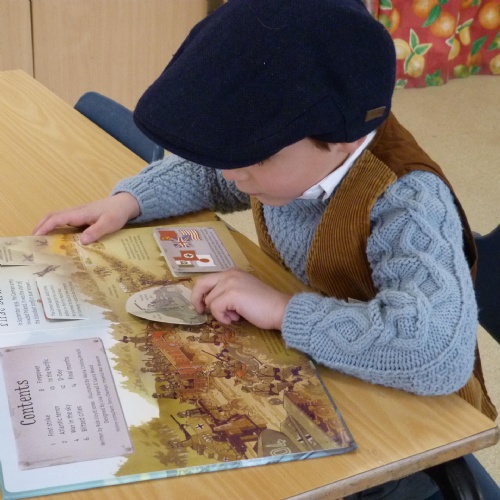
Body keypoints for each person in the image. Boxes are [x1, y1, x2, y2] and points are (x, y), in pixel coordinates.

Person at [33, 0, 498, 497]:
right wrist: (128, 201)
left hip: (408, 440)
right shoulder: (287, 157)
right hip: (315, 377)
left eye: (254, 159)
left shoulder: (408, 200)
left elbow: (435, 353)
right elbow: (213, 175)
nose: (233, 173)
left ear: (346, 139)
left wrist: (281, 309)